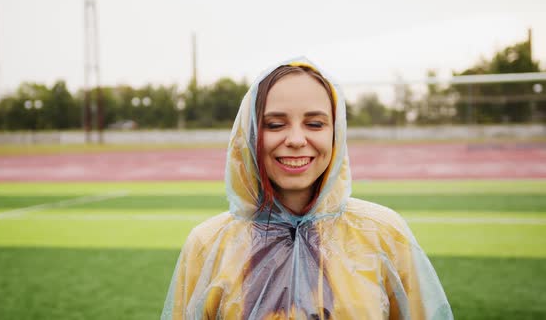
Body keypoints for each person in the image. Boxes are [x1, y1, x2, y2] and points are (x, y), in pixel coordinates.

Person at [162, 57, 453, 319]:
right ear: (249, 135)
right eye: (275, 125)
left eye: (315, 124)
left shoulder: (384, 234)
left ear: (335, 134)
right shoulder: (208, 244)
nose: (297, 139)